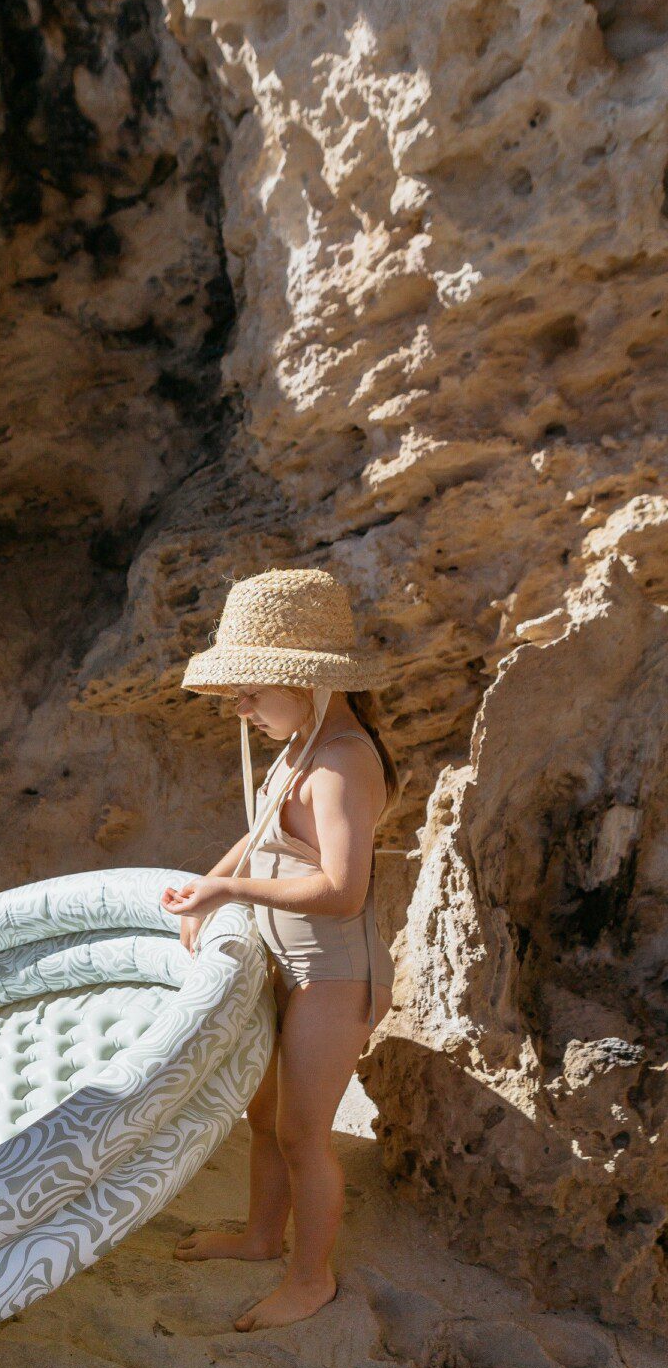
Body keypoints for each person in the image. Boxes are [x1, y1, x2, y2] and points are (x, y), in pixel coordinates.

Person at [160, 566, 400, 1328]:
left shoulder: (339, 765)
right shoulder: (304, 740)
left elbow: (342, 892)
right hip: (287, 963)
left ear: (306, 681)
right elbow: (262, 832)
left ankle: (312, 1276)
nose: (240, 706)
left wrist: (232, 893)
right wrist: (214, 876)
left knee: (304, 1133)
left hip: (332, 974)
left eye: (253, 689)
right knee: (265, 1118)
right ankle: (264, 1236)